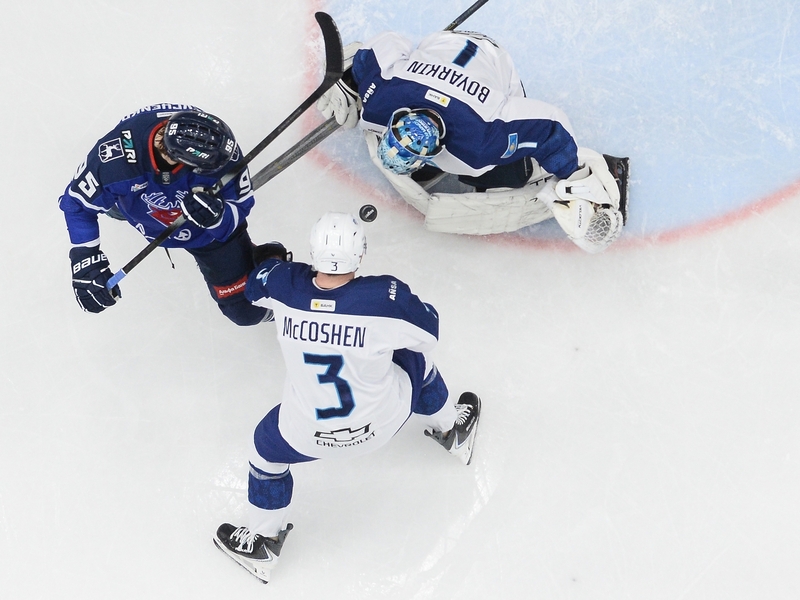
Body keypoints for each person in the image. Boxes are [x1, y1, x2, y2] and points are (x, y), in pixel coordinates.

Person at [213, 212, 481, 583]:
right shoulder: (384, 297)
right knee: (417, 361)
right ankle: (453, 431)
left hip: (306, 435)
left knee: (264, 455)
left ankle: (262, 541)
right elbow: (429, 333)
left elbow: (254, 289)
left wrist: (275, 264)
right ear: (360, 254)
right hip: (381, 422)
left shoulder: (284, 285)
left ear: (313, 252)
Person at [316, 30, 629, 253]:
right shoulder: (382, 95)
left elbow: (550, 127)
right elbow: (386, 43)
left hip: (494, 61)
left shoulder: (482, 142)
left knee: (508, 173)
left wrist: (572, 174)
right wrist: (354, 78)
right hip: (446, 43)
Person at [58, 103, 289, 325]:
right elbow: (76, 203)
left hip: (205, 236)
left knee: (245, 312)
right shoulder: (115, 163)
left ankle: (270, 267)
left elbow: (242, 204)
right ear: (176, 159)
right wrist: (84, 259)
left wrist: (218, 218)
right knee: (108, 200)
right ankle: (123, 206)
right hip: (134, 201)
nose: (217, 168)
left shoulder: (222, 150)